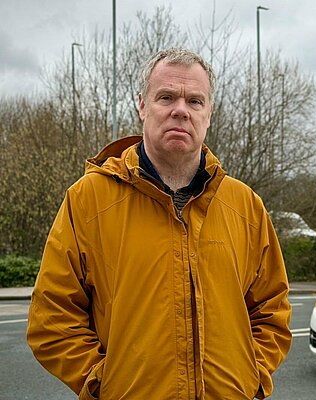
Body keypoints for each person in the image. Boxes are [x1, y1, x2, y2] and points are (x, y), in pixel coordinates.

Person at [27, 48, 292, 399]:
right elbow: (52, 319)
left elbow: (272, 310)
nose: (180, 110)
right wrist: (103, 384)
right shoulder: (88, 199)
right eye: (166, 97)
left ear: (209, 114)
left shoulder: (245, 206)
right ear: (142, 105)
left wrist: (250, 379)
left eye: (195, 101)